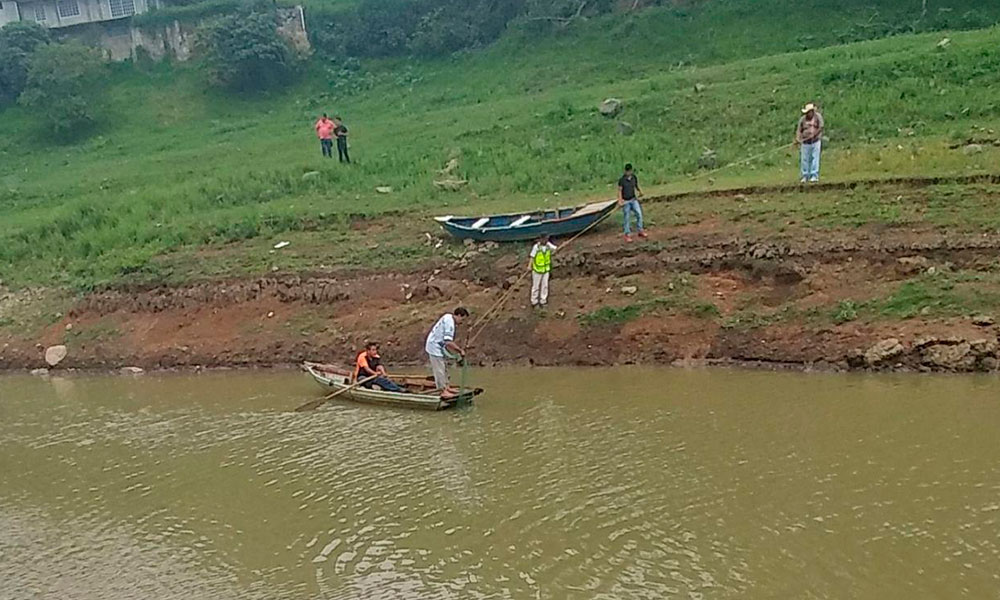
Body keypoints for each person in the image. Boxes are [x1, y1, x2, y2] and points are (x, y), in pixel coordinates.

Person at [424, 307, 469, 398]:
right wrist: (460, 351)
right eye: (462, 319)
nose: (461, 322)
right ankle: (442, 391)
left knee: (444, 368)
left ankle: (447, 387)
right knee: (439, 369)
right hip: (434, 346)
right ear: (459, 315)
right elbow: (448, 342)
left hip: (439, 346)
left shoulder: (448, 316)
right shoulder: (450, 324)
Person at [795, 103, 824, 183]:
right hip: (805, 142)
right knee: (804, 159)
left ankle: (814, 175)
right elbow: (799, 130)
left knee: (815, 158)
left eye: (809, 112)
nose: (807, 114)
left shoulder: (818, 117)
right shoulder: (802, 119)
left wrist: (814, 135)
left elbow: (821, 127)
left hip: (815, 141)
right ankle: (805, 176)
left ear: (812, 111)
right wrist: (798, 139)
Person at [618, 163, 647, 242]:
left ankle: (640, 230)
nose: (628, 173)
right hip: (626, 201)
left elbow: (636, 186)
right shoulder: (622, 180)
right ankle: (627, 234)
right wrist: (620, 201)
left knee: (639, 214)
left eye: (629, 171)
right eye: (627, 171)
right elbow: (620, 190)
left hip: (633, 199)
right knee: (627, 218)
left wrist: (640, 191)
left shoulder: (634, 177)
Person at [529, 233, 558, 308]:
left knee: (545, 286)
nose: (546, 240)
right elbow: (532, 257)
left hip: (545, 270)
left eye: (547, 239)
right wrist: (529, 266)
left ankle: (543, 300)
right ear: (540, 239)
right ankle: (534, 302)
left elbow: (555, 249)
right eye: (544, 239)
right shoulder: (536, 247)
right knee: (536, 287)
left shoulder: (548, 245)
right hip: (537, 270)